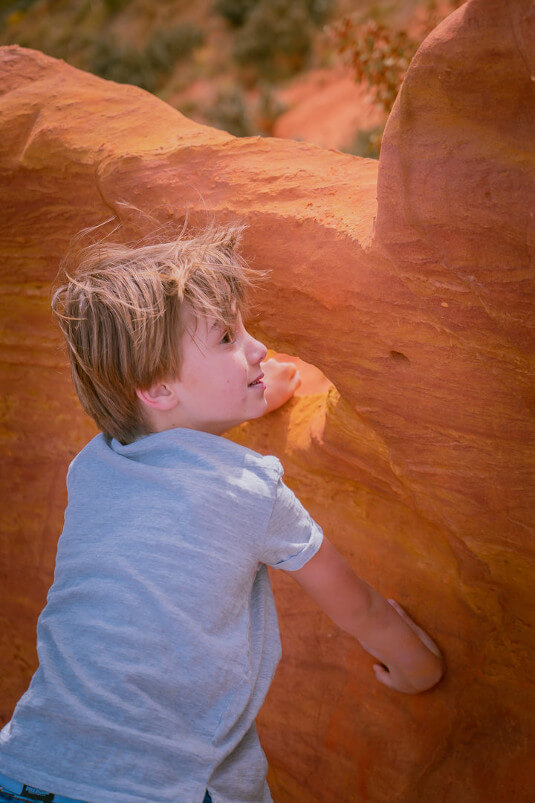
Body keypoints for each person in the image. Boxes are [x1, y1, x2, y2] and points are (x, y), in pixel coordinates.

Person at [0, 220, 443, 803]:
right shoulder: (251, 492)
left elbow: (177, 441)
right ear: (158, 388)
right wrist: (419, 670)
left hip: (27, 766)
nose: (257, 347)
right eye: (228, 339)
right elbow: (358, 606)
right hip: (160, 789)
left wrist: (256, 388)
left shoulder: (94, 466)